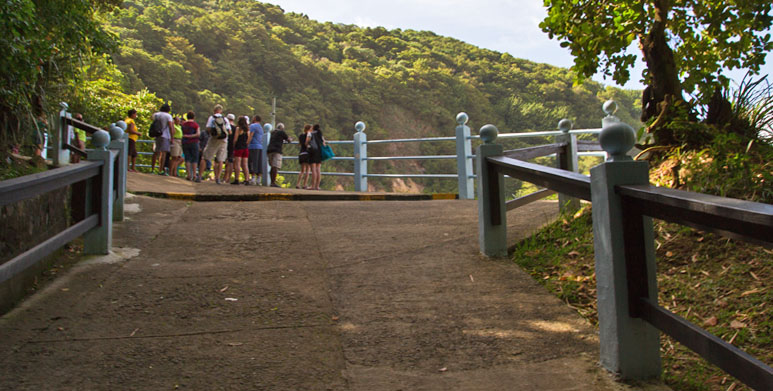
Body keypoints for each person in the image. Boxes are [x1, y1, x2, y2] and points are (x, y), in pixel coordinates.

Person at [201, 104, 230, 184]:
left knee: (205, 157)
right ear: (221, 111)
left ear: (214, 110)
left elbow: (208, 128)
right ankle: (217, 178)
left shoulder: (212, 118)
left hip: (214, 139)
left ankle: (199, 176)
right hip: (223, 141)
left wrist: (214, 133)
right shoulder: (225, 119)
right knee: (220, 160)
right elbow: (229, 131)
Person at [266, 122, 292, 187]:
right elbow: (288, 140)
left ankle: (272, 182)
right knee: (275, 166)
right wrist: (290, 139)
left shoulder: (272, 133)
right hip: (277, 150)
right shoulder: (281, 132)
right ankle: (273, 182)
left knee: (272, 166)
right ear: (282, 128)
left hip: (269, 150)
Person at [151, 103, 174, 175]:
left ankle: (152, 169)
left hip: (157, 135)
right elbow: (170, 126)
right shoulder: (168, 116)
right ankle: (160, 169)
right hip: (165, 136)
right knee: (163, 153)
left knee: (155, 152)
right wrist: (172, 137)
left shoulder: (156, 115)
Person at [181, 111, 201, 182]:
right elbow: (198, 134)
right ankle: (195, 175)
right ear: (194, 117)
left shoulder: (183, 124)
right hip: (194, 142)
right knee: (195, 159)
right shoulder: (195, 125)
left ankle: (189, 175)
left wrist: (186, 136)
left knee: (187, 158)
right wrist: (191, 136)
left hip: (185, 142)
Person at [246, 115, 264, 185]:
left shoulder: (253, 126)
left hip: (253, 146)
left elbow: (251, 135)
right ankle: (259, 179)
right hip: (260, 146)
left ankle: (253, 178)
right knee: (259, 162)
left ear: (255, 119)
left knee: (252, 162)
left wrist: (247, 143)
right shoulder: (261, 127)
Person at [232, 116, 250, 185]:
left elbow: (235, 139)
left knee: (237, 164)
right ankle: (247, 179)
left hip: (239, 148)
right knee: (245, 164)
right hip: (245, 148)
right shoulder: (247, 130)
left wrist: (234, 145)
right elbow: (248, 140)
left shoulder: (238, 129)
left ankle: (237, 179)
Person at [307, 124, 325, 190]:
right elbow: (324, 143)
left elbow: (307, 142)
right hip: (319, 152)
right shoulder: (320, 134)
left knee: (313, 170)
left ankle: (312, 186)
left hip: (313, 152)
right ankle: (317, 186)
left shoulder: (310, 133)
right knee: (318, 169)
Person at [296, 124, 312, 189]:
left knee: (302, 170)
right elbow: (308, 143)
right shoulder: (309, 136)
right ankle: (304, 185)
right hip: (307, 153)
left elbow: (300, 143)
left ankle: (298, 184)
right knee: (308, 170)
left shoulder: (301, 136)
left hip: (301, 153)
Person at [223, 113, 236, 183]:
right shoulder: (236, 128)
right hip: (233, 146)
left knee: (222, 161)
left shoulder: (226, 126)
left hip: (225, 144)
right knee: (230, 162)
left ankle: (223, 177)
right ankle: (228, 177)